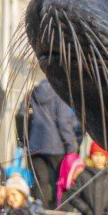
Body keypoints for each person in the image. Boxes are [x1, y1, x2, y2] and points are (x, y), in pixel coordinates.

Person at [24, 78, 79, 207]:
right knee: (59, 180)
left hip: (35, 145)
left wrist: (25, 141)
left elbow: (22, 115)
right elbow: (63, 121)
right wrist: (72, 145)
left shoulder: (33, 93)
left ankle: (40, 211)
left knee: (40, 181)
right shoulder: (60, 92)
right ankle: (59, 210)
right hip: (56, 146)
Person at [62, 142, 108, 215]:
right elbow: (72, 195)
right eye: (95, 155)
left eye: (101, 155)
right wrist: (86, 210)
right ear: (91, 156)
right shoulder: (83, 175)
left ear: (106, 157)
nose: (98, 159)